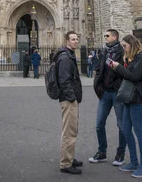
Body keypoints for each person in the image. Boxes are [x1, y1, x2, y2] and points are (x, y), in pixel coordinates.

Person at [111, 34, 142, 178]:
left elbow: (134, 77)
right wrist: (123, 64)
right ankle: (134, 162)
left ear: (131, 44)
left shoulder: (141, 57)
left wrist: (119, 67)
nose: (123, 48)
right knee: (126, 129)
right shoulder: (132, 58)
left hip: (138, 100)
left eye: (124, 46)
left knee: (139, 132)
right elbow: (127, 76)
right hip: (129, 98)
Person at [89, 29, 126, 167]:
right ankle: (102, 152)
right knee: (99, 124)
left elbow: (126, 71)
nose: (105, 37)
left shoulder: (122, 52)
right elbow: (100, 68)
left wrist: (117, 84)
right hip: (105, 92)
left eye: (107, 36)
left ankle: (120, 153)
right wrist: (98, 82)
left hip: (117, 92)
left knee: (121, 125)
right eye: (104, 35)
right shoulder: (104, 51)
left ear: (115, 37)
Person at [56, 30, 83, 175]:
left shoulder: (68, 55)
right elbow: (64, 80)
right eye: (73, 39)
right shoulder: (65, 57)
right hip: (68, 100)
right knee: (69, 132)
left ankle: (70, 157)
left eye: (77, 39)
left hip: (70, 98)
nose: (76, 41)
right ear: (67, 41)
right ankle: (66, 163)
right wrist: (72, 97)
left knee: (72, 130)